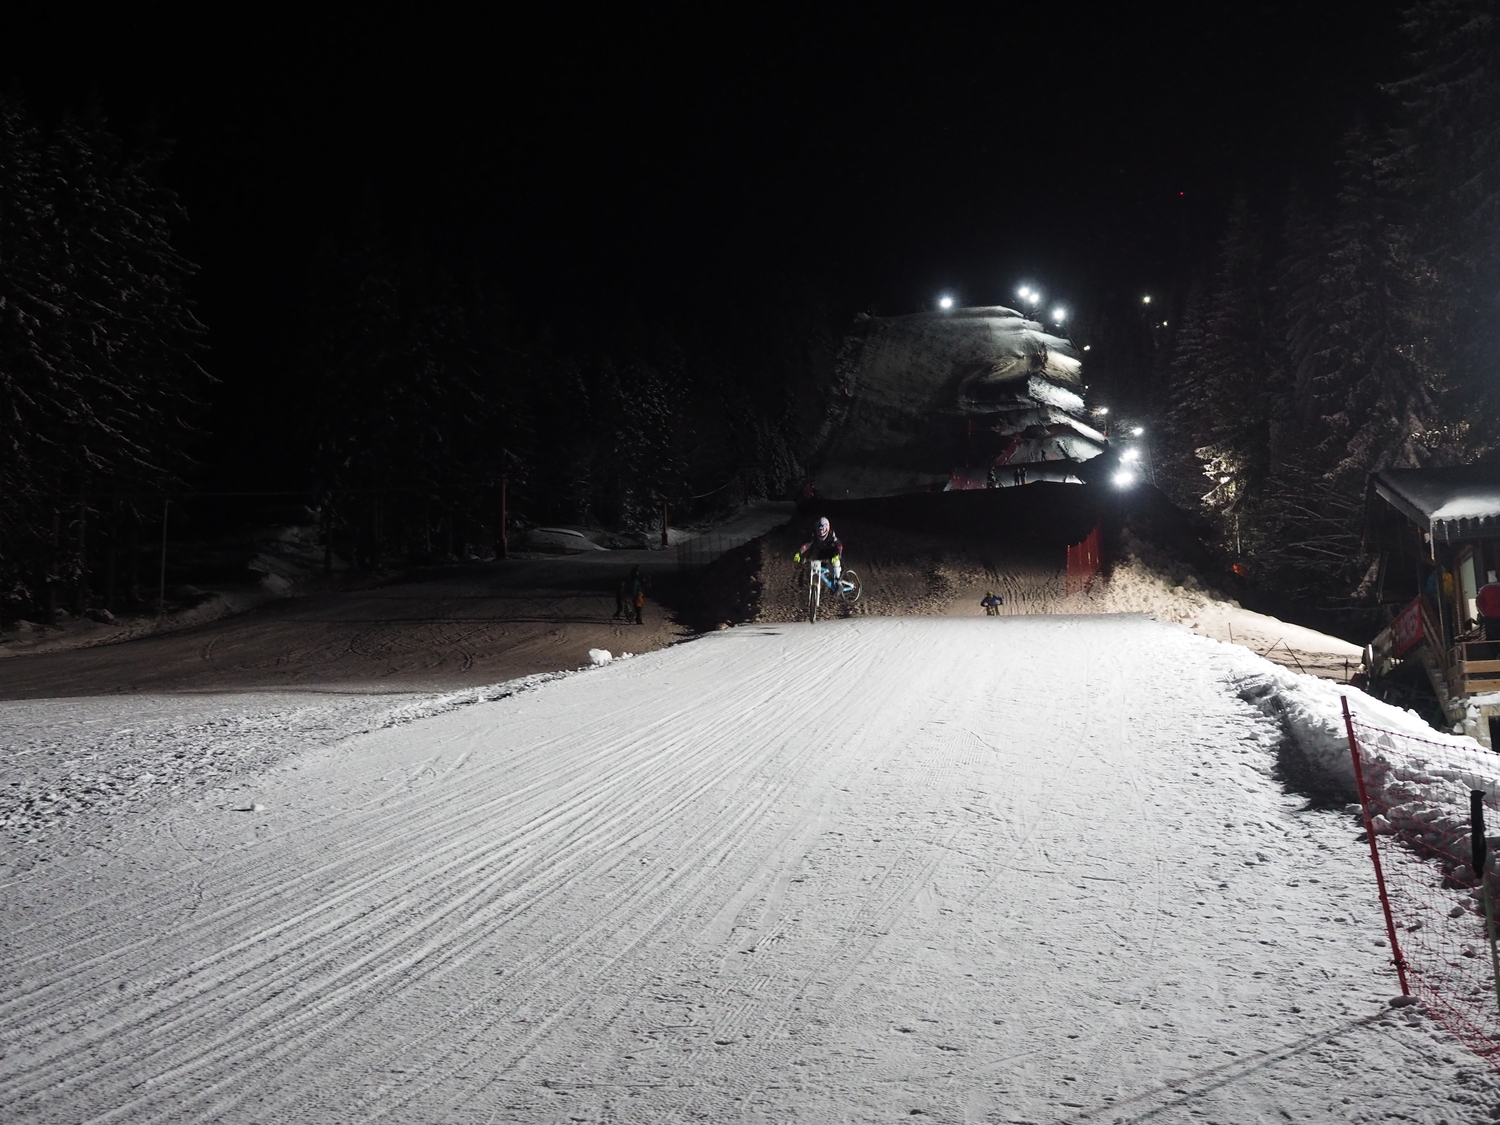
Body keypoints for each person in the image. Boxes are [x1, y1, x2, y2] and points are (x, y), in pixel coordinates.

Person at [794, 516, 844, 581]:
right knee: (818, 568)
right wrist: (799, 553)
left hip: (833, 552)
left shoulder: (831, 535)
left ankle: (838, 582)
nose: (821, 532)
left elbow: (839, 545)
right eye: (819, 530)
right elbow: (807, 544)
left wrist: (838, 555)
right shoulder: (814, 535)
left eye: (823, 530)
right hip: (821, 552)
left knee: (836, 563)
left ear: (827, 529)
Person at [1479, 571, 1500, 641]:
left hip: (1490, 616)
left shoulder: (1484, 590)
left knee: (1492, 639)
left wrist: (1484, 614)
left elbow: (1479, 603)